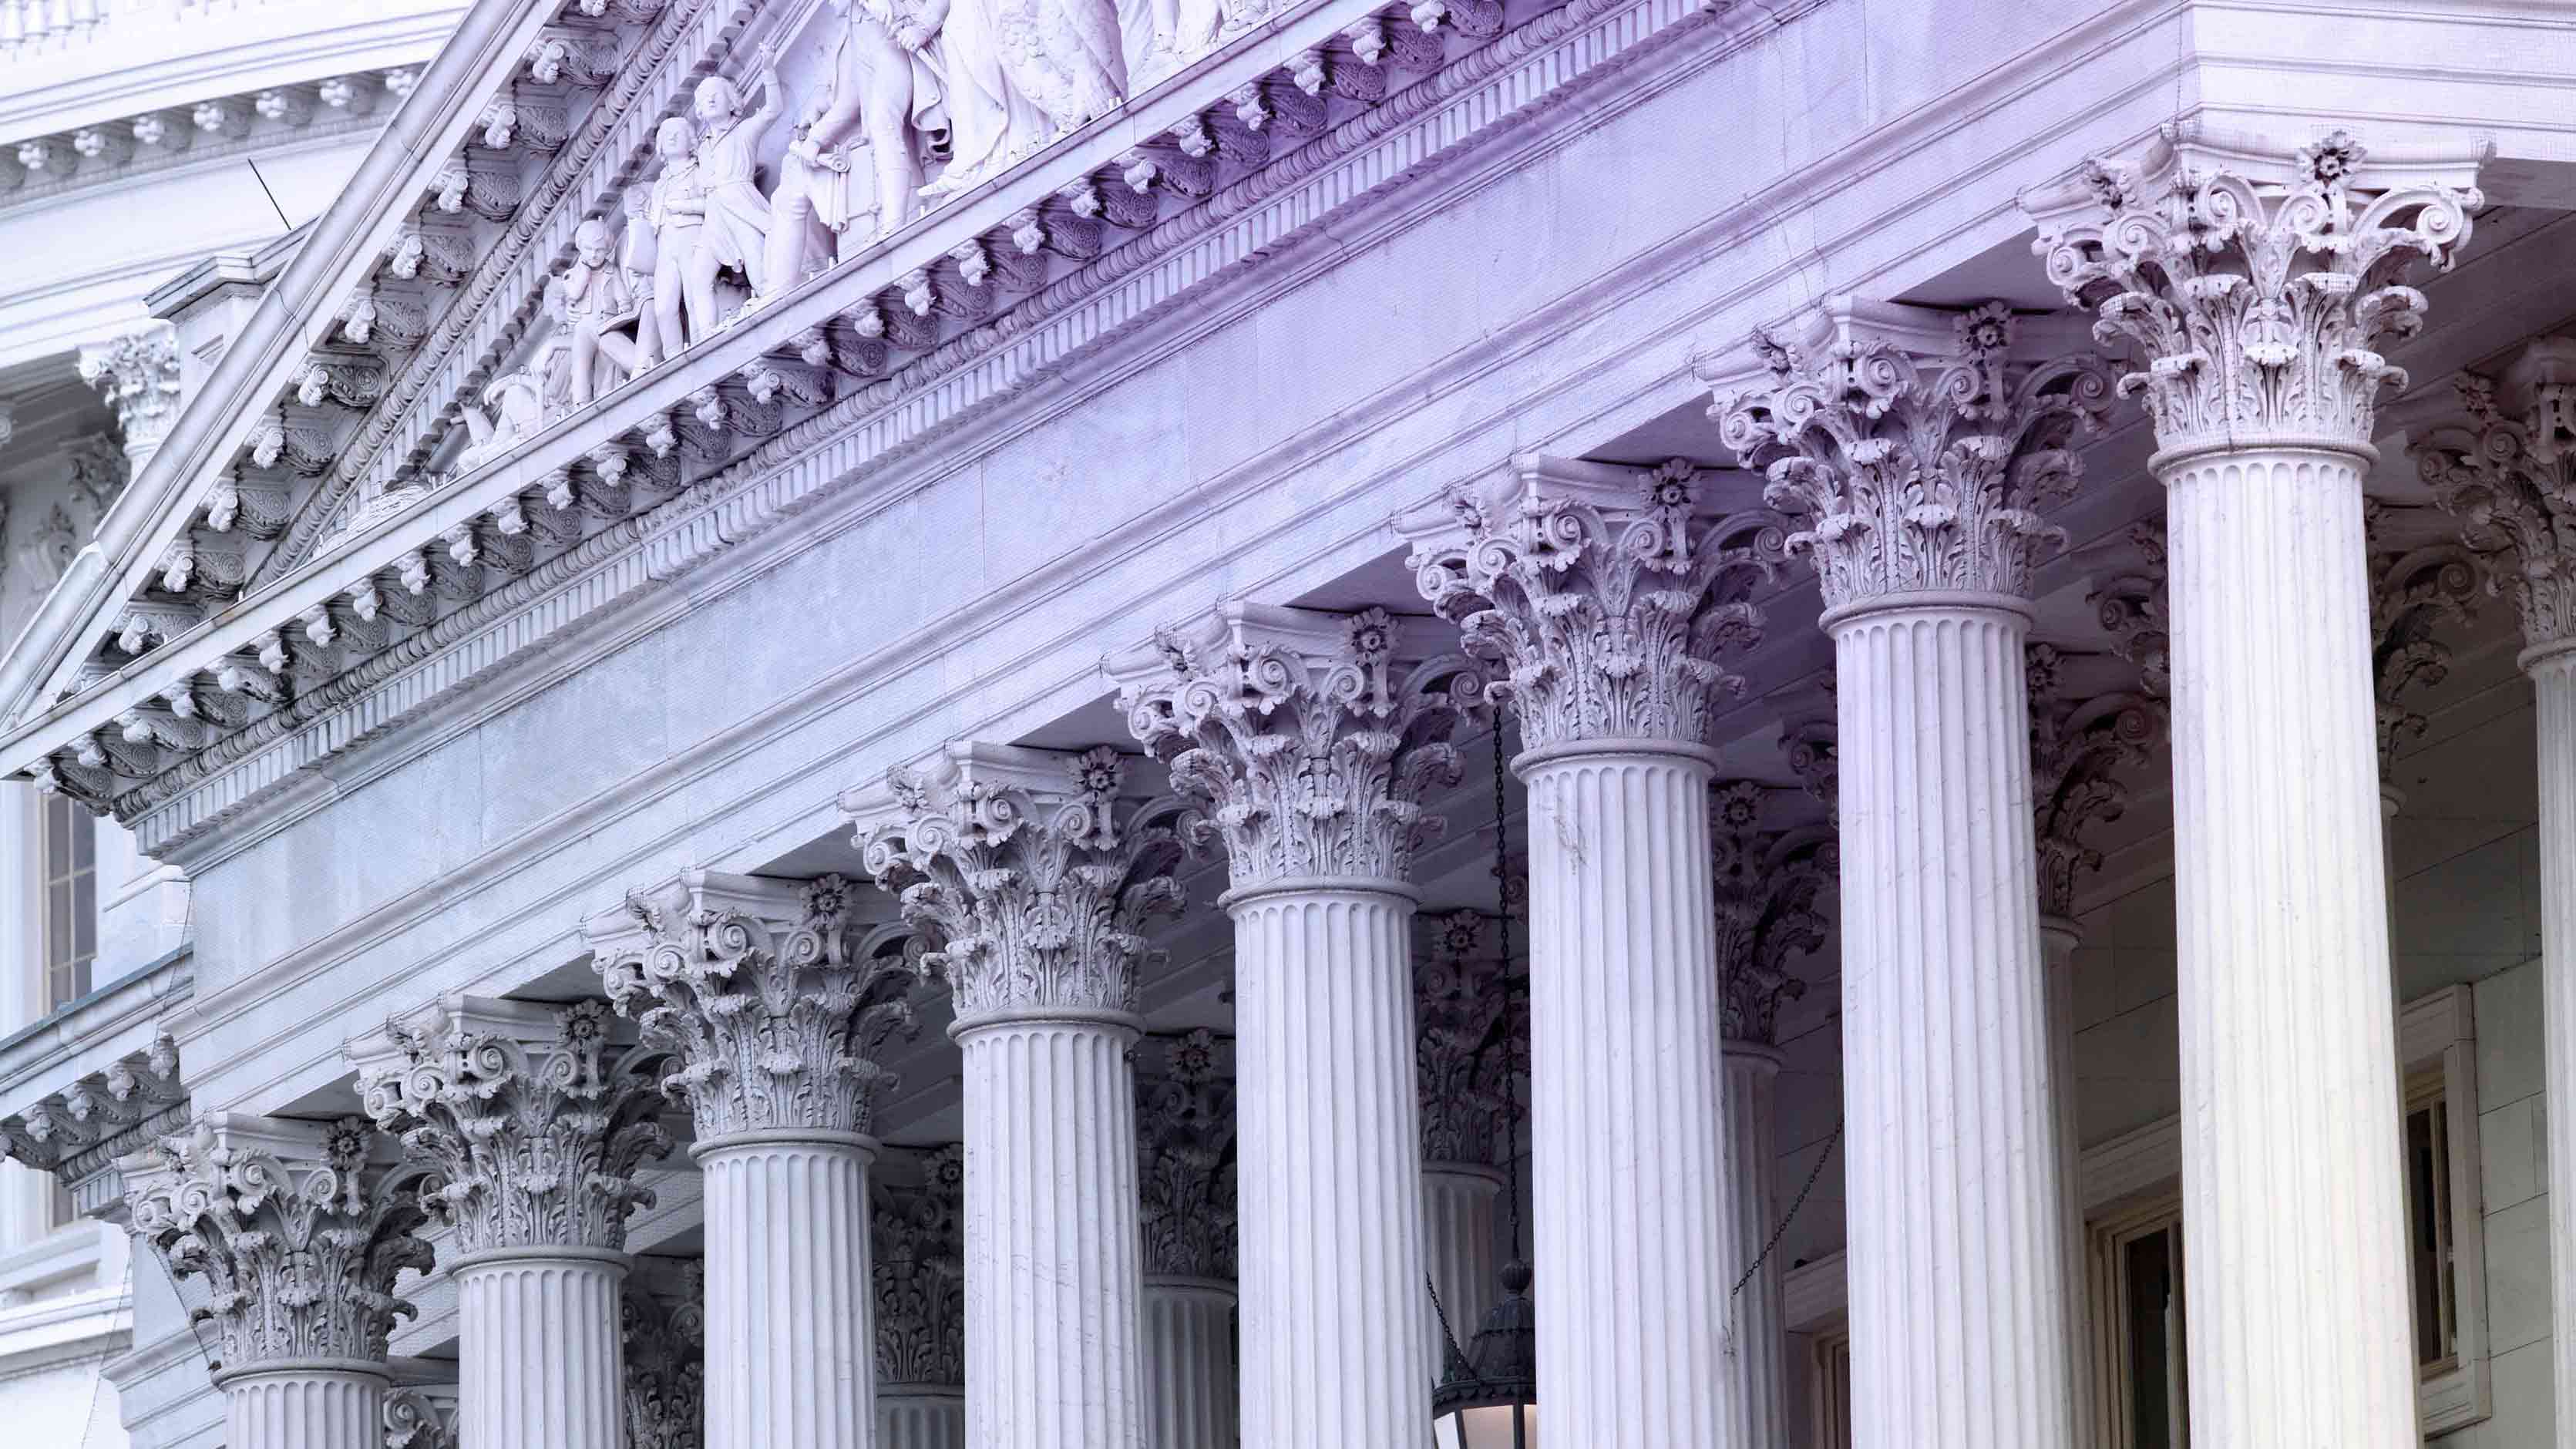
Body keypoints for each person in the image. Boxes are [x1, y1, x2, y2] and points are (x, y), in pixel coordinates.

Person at [684, 72, 782, 338]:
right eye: (705, 98)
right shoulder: (703, 148)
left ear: (732, 103)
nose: (711, 99)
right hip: (715, 213)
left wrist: (768, 69)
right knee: (699, 278)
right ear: (700, 111)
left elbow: (773, 110)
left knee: (756, 262)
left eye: (717, 94)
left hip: (740, 203)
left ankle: (773, 307)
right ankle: (706, 336)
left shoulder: (743, 131)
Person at [556, 217, 639, 404]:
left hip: (606, 323)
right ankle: (580, 402)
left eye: (599, 250)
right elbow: (575, 293)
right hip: (584, 326)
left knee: (607, 363)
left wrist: (625, 309)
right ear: (580, 248)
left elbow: (622, 297)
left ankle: (607, 397)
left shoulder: (612, 271)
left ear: (607, 249)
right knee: (580, 365)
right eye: (589, 250)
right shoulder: (572, 274)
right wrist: (585, 273)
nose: (594, 255)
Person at [641, 116, 705, 361]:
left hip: (691, 234)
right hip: (665, 244)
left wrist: (684, 207)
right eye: (666, 133)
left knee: (694, 294)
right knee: (664, 308)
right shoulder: (660, 184)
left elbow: (713, 202)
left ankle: (702, 343)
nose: (671, 136)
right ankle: (673, 358)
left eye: (678, 132)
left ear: (690, 142)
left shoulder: (698, 172)